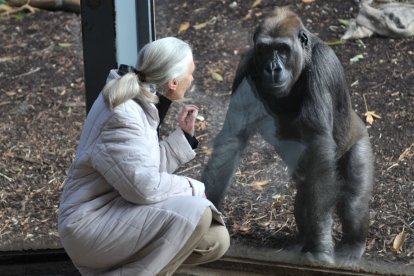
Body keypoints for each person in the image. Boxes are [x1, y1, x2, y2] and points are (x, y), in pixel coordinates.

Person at [58, 37, 230, 276]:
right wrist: (193, 187)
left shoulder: (137, 100)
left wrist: (183, 139)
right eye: (191, 73)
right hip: (89, 224)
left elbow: (136, 169)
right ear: (173, 82)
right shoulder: (123, 114)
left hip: (115, 210)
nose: (193, 79)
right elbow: (143, 188)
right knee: (198, 214)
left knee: (214, 238)